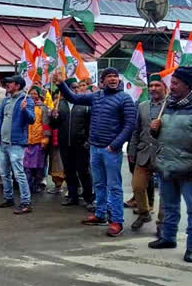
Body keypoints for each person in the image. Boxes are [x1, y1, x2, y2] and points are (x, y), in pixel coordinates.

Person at [52, 67, 136, 237]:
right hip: (95, 148)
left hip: (111, 150)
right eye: (109, 76)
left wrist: (115, 145)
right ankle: (100, 214)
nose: (113, 79)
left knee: (114, 187)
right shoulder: (96, 96)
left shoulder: (125, 99)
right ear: (102, 81)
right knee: (99, 184)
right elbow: (74, 97)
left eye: (115, 76)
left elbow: (129, 126)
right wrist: (61, 85)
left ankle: (116, 221)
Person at [148, 66, 192, 263]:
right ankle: (168, 238)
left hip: (190, 169)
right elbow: (160, 136)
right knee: (170, 207)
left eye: (176, 83)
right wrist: (154, 130)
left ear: (187, 85)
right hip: (167, 166)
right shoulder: (168, 105)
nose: (172, 86)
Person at [0, 76, 36, 214]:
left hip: (16, 143)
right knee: (4, 173)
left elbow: (32, 119)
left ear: (17, 85)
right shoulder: (6, 100)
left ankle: (26, 202)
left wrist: (25, 110)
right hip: (3, 143)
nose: (7, 85)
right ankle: (8, 198)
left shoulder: (26, 100)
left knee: (19, 173)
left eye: (10, 83)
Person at [126, 74, 166, 231]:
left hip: (163, 154)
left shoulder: (170, 106)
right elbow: (136, 130)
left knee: (165, 194)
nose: (153, 89)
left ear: (165, 87)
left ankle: (162, 224)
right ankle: (144, 213)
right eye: (151, 86)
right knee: (137, 186)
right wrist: (132, 149)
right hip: (143, 153)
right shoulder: (142, 105)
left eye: (157, 85)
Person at [51, 78, 94, 208]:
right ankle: (72, 196)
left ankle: (88, 198)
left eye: (77, 87)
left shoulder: (84, 104)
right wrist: (54, 117)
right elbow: (54, 125)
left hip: (81, 144)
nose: (76, 90)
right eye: (72, 88)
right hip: (65, 144)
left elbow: (90, 125)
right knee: (69, 171)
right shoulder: (60, 104)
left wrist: (88, 141)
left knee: (84, 172)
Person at [24, 86, 50, 194]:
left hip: (38, 141)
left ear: (39, 95)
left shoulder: (43, 108)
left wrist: (45, 139)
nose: (33, 96)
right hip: (26, 141)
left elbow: (46, 125)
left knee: (38, 166)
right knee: (26, 166)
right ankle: (28, 185)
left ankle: (37, 184)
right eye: (31, 93)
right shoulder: (25, 106)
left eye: (35, 94)